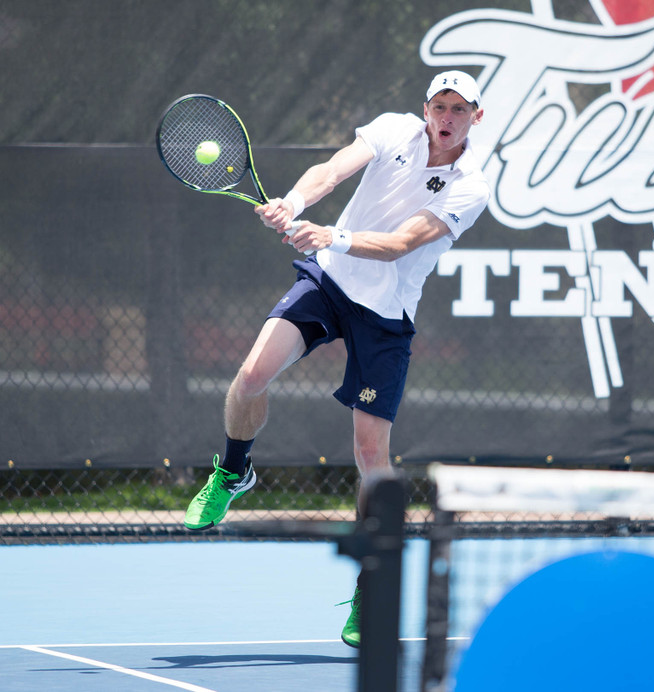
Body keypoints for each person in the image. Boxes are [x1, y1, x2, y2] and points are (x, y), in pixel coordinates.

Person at [182, 70, 488, 648]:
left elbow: (401, 244)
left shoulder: (471, 184)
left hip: (386, 314)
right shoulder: (395, 131)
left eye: (460, 109)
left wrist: (331, 237)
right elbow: (332, 170)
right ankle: (233, 471)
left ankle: (370, 582)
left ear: (477, 116)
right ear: (426, 109)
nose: (447, 118)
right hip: (328, 284)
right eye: (440, 106)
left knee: (370, 450)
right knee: (250, 377)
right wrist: (294, 202)